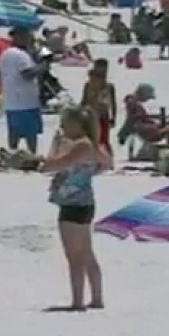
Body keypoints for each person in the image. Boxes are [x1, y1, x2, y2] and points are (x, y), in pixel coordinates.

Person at [39, 106, 112, 311]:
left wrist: (55, 148)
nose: (62, 127)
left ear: (77, 124)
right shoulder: (91, 145)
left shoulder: (81, 145)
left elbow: (51, 166)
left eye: (65, 123)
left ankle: (78, 301)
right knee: (86, 252)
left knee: (74, 256)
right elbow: (107, 163)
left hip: (73, 203)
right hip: (84, 201)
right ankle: (96, 298)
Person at [0, 26, 49, 154]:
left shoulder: (5, 53)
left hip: (11, 101)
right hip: (25, 101)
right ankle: (32, 156)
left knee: (14, 132)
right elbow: (27, 74)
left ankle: (12, 154)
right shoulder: (20, 55)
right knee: (30, 134)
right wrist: (42, 67)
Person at [118, 83, 169, 148]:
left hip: (152, 130)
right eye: (147, 98)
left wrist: (159, 119)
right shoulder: (133, 104)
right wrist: (157, 120)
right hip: (152, 133)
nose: (147, 100)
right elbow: (136, 121)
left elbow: (140, 118)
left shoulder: (135, 105)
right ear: (143, 94)